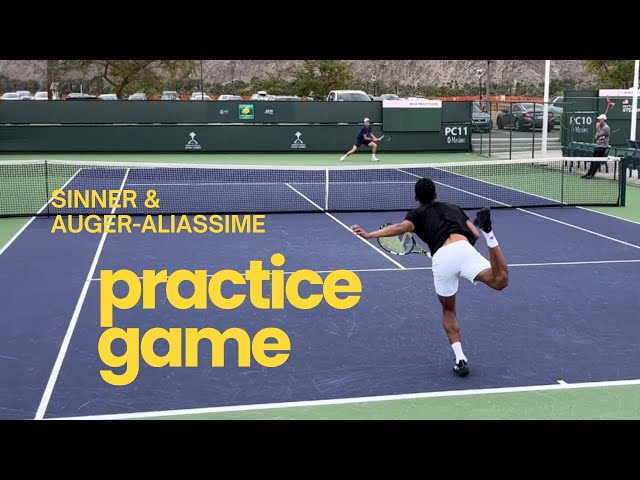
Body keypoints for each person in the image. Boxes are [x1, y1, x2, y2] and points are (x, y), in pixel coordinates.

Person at [351, 178, 509, 377]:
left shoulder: (416, 214)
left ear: (416, 197)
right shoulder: (454, 207)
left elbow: (400, 228)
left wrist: (369, 235)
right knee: (499, 281)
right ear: (436, 194)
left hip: (442, 258)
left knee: (448, 309)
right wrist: (464, 249)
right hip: (464, 249)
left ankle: (460, 358)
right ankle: (491, 234)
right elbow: (474, 233)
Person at [582, 114, 610, 178]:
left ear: (603, 120)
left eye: (600, 119)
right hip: (598, 146)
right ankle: (589, 173)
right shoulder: (601, 127)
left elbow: (598, 134)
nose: (598, 120)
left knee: (597, 161)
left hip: (602, 147)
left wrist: (597, 128)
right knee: (593, 160)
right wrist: (598, 130)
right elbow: (596, 137)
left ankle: (592, 174)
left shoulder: (606, 127)